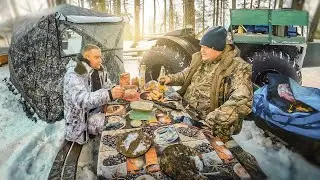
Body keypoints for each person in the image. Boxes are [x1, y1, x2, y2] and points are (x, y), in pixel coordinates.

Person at [160, 26, 253, 142]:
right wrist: (170, 78)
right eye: (202, 46)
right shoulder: (202, 59)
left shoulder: (238, 67)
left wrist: (212, 120)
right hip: (187, 112)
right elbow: (187, 74)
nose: (202, 50)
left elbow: (242, 100)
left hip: (210, 125)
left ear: (218, 48)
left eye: (207, 47)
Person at [63, 44, 124, 144]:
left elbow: (107, 86)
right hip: (81, 123)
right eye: (96, 57)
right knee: (115, 125)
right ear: (87, 57)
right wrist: (109, 94)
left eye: (100, 57)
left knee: (122, 117)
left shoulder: (98, 70)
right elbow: (82, 101)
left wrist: (116, 89)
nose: (100, 60)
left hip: (99, 111)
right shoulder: (74, 74)